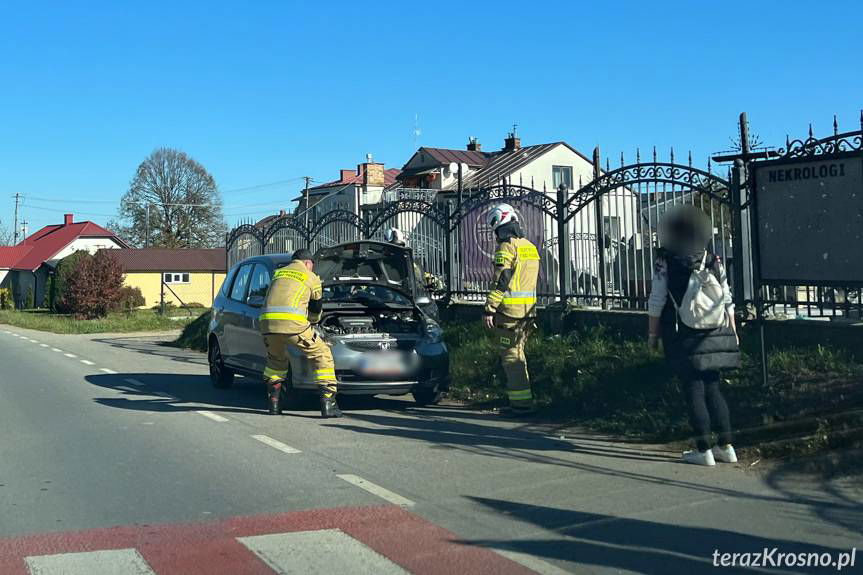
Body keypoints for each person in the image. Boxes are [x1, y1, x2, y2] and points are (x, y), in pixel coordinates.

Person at [647, 205, 740, 466]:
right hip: (716, 329)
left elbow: (657, 300)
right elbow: (727, 298)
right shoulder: (712, 258)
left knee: (693, 388)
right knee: (713, 386)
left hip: (683, 330)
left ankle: (703, 449)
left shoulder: (666, 260)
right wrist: (732, 331)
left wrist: (652, 335)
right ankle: (727, 446)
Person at [259, 249, 342, 418]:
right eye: (312, 265)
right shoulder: (311, 277)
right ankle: (328, 404)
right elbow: (316, 307)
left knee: (276, 361)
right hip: (294, 326)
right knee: (322, 354)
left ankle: (274, 404)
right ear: (307, 263)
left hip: (267, 325)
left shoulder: (278, 273)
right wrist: (313, 320)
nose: (312, 268)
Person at [483, 204, 541, 416]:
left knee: (511, 358)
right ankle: (523, 400)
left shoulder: (507, 246)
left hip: (509, 314)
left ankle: (521, 405)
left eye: (493, 225)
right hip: (528, 313)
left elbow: (502, 279)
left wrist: (490, 308)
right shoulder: (529, 246)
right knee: (519, 355)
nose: (493, 230)